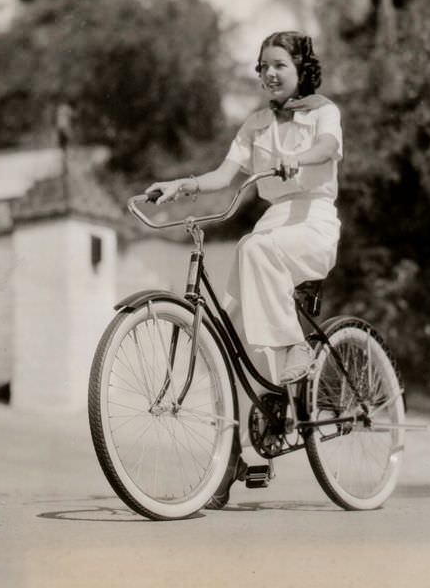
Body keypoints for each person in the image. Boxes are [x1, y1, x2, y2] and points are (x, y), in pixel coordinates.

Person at [145, 30, 342, 507]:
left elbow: (329, 148)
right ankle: (233, 451)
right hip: (275, 224)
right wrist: (180, 186)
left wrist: (298, 158)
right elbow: (222, 175)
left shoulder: (322, 112)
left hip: (313, 221)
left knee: (252, 250)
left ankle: (295, 349)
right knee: (224, 327)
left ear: (300, 70)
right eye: (262, 67)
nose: (269, 74)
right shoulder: (255, 124)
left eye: (278, 65)